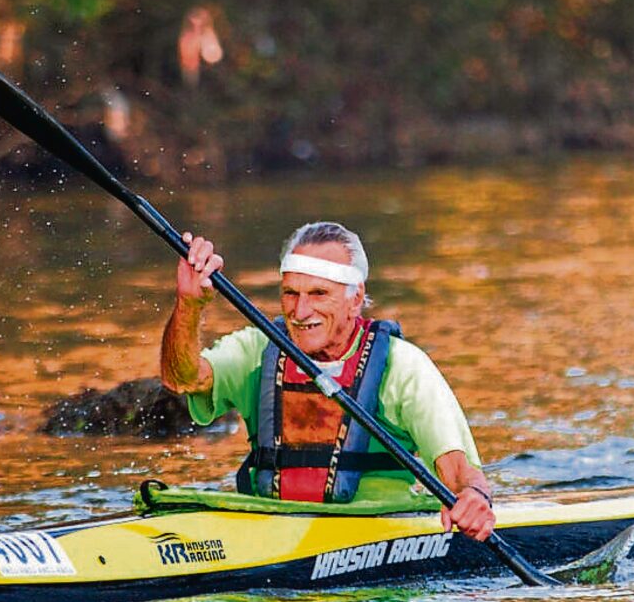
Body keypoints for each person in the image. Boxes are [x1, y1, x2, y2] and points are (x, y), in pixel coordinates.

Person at [160, 221, 495, 542]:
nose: (301, 311)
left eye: (319, 293)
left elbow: (458, 470)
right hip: (271, 528)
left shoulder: (403, 367)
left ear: (355, 298)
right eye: (291, 293)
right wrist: (189, 304)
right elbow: (182, 378)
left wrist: (472, 498)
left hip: (378, 532)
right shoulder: (258, 351)